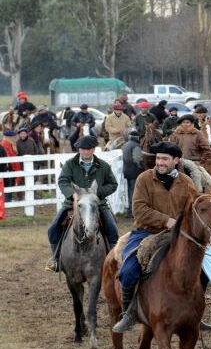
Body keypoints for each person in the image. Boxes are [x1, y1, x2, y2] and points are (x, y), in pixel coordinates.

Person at [111, 141, 197, 332]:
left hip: (178, 235)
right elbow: (139, 210)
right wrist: (166, 220)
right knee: (128, 270)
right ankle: (129, 313)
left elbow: (193, 211)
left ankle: (195, 309)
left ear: (176, 160)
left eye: (165, 159)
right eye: (158, 158)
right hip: (146, 232)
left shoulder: (187, 182)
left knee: (203, 269)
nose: (160, 163)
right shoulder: (144, 179)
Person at [45, 135, 119, 272]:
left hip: (97, 204)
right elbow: (63, 181)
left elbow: (113, 184)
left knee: (112, 229)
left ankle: (112, 260)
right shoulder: (69, 164)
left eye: (89, 149)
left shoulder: (103, 166)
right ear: (78, 149)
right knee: (53, 228)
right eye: (83, 149)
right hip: (72, 203)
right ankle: (56, 260)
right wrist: (72, 195)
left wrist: (97, 193)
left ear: (93, 150)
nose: (86, 152)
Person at [121, 128, 145, 217]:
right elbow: (137, 159)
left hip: (126, 171)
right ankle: (132, 212)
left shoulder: (125, 145)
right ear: (137, 137)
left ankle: (129, 211)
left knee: (129, 191)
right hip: (134, 171)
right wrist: (142, 168)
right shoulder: (136, 146)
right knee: (134, 192)